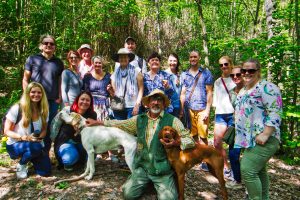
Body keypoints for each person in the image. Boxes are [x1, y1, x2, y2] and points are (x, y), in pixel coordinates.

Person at [85, 89, 195, 200]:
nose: (156, 102)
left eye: (159, 100)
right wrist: (98, 122)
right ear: (148, 103)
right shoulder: (139, 119)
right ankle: (143, 181)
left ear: (163, 104)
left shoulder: (173, 120)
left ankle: (163, 182)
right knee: (128, 195)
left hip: (162, 170)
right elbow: (120, 124)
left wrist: (176, 142)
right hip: (143, 167)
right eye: (153, 99)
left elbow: (190, 140)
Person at [235, 59, 282, 199]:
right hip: (250, 139)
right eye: (244, 70)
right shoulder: (244, 90)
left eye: (251, 70)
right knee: (259, 171)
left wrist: (266, 134)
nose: (247, 73)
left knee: (247, 169)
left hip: (265, 138)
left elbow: (275, 111)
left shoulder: (267, 87)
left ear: (258, 71)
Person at [22, 34, 64, 153]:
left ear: (55, 47)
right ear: (41, 46)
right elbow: (25, 78)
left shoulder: (58, 62)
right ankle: (30, 154)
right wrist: (26, 95)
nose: (49, 45)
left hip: (52, 100)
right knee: (32, 126)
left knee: (49, 127)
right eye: (46, 43)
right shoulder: (32, 59)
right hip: (35, 99)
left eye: (51, 44)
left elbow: (60, 80)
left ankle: (44, 153)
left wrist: (60, 96)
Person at [4, 82, 51, 179]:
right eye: (33, 92)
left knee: (46, 172)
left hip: (34, 144)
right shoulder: (17, 108)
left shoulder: (44, 110)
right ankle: (22, 164)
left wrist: (40, 138)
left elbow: (44, 129)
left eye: (39, 92)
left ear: (42, 94)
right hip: (16, 144)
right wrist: (23, 137)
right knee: (35, 148)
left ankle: (31, 157)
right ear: (27, 93)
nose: (36, 95)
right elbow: (7, 131)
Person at [180, 50, 213, 171]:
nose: (193, 59)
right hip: (189, 109)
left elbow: (209, 92)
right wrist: (182, 109)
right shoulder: (184, 74)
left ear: (199, 58)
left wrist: (207, 110)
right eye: (191, 57)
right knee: (193, 135)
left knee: (203, 136)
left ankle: (206, 160)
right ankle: (196, 157)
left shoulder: (206, 73)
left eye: (195, 57)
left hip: (202, 109)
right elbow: (183, 93)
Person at [51, 91, 97, 171]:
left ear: (90, 103)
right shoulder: (67, 110)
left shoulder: (92, 115)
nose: (84, 102)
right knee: (69, 159)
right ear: (77, 100)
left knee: (93, 151)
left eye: (87, 100)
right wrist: (53, 139)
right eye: (82, 99)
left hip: (81, 142)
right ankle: (68, 163)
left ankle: (80, 161)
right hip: (66, 141)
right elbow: (55, 125)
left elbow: (92, 133)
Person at [212, 56, 236, 181]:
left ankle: (235, 170)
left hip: (234, 114)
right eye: (221, 65)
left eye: (226, 64)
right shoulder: (218, 81)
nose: (223, 67)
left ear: (231, 64)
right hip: (220, 114)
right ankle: (226, 167)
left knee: (232, 144)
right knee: (217, 143)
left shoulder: (236, 79)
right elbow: (215, 100)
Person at [225, 65, 245, 189]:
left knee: (249, 158)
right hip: (235, 126)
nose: (235, 77)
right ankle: (237, 180)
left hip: (249, 129)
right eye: (233, 75)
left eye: (238, 74)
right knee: (232, 154)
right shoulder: (231, 92)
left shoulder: (250, 90)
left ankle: (251, 185)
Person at [111, 48, 144, 120]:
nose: (123, 59)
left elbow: (141, 89)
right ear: (118, 59)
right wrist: (110, 90)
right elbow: (114, 93)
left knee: (132, 130)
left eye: (125, 57)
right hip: (119, 106)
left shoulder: (137, 71)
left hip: (133, 106)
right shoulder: (114, 74)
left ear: (129, 58)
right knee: (119, 129)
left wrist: (137, 105)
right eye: (121, 57)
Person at [83, 56, 112, 121]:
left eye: (99, 63)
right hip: (91, 105)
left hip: (104, 105)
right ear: (92, 64)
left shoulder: (108, 76)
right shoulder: (87, 76)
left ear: (102, 64)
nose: (97, 64)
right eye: (96, 63)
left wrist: (110, 90)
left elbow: (112, 92)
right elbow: (85, 92)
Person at [164, 53, 181, 117]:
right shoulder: (163, 74)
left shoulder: (180, 75)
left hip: (177, 106)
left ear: (177, 62)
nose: (172, 63)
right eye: (170, 61)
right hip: (166, 106)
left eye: (174, 61)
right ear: (168, 61)